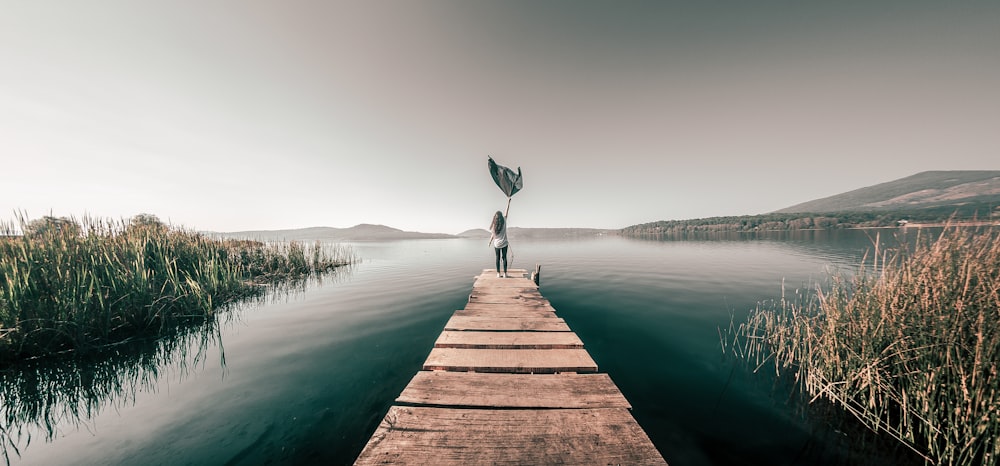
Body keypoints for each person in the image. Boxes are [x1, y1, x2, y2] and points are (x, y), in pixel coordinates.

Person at [489, 210, 509, 278]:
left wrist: (490, 241)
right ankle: (505, 274)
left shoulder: (494, 224)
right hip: (504, 243)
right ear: (501, 217)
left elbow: (492, 233)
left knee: (497, 258)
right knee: (504, 258)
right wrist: (509, 202)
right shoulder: (504, 221)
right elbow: (506, 212)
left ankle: (498, 273)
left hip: (497, 244)